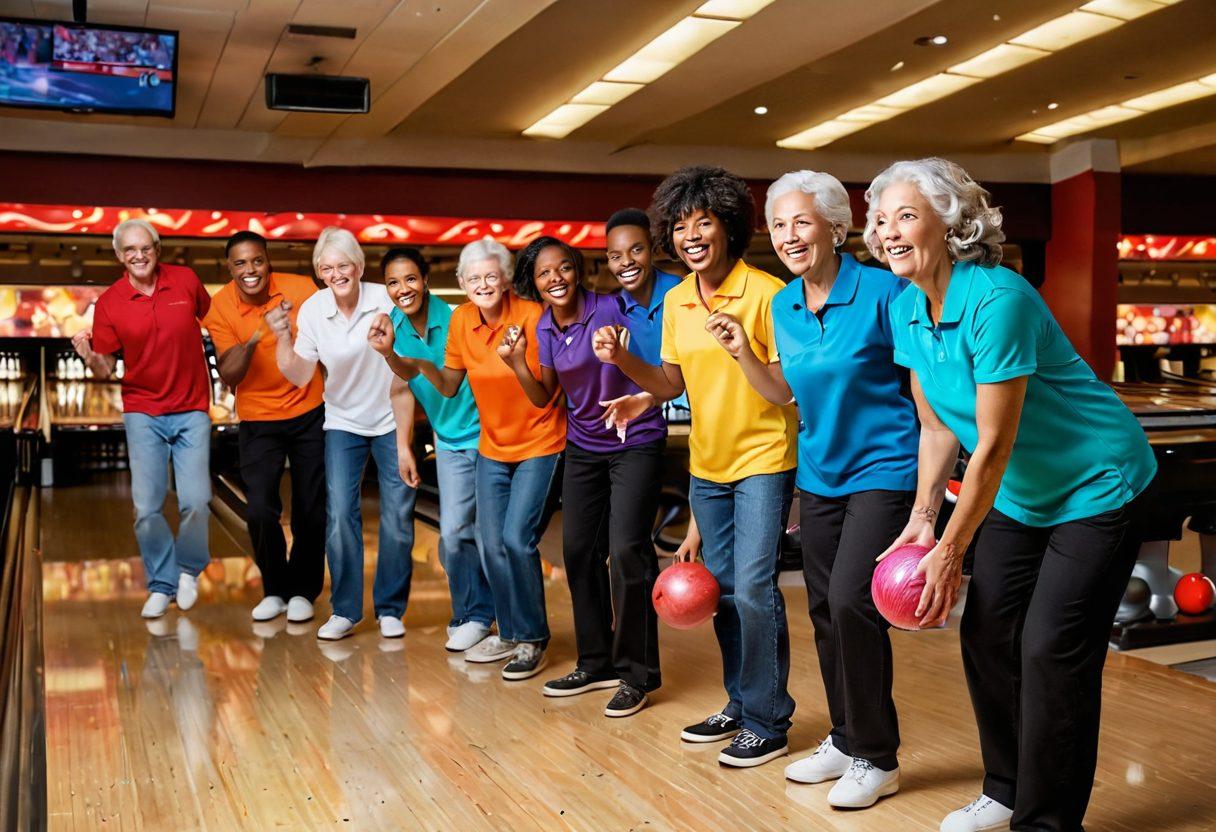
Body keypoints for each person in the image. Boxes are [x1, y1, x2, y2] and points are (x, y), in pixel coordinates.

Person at [867, 158, 1157, 832]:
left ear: (952, 224)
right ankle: (1005, 789)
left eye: (906, 215)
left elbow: (992, 446)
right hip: (1023, 495)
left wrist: (950, 552)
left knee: (1050, 647)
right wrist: (921, 522)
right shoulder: (908, 308)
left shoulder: (999, 299)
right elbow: (938, 425)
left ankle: (1046, 822)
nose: (888, 232)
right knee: (987, 633)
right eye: (881, 221)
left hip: (1097, 484)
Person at [704, 170, 920, 806]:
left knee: (854, 602)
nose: (789, 236)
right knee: (824, 608)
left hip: (885, 469)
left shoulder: (885, 291)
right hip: (820, 474)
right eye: (778, 225)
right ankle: (847, 737)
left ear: (834, 226)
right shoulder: (784, 305)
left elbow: (922, 385)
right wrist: (744, 351)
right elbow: (784, 392)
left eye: (801, 221)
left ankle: (879, 757)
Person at [593, 166, 798, 767]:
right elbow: (670, 382)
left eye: (703, 222)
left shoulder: (768, 293)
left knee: (757, 589)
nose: (691, 236)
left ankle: (768, 717)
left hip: (764, 457)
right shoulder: (678, 299)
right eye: (680, 226)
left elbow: (785, 390)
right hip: (709, 465)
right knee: (728, 593)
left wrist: (741, 348)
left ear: (728, 226)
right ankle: (739, 703)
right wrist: (629, 371)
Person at [388, 236, 565, 681]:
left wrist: (518, 360)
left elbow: (544, 398)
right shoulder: (463, 321)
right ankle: (507, 632)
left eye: (491, 275)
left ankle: (531, 638)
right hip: (492, 448)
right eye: (474, 277)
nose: (483, 284)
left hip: (540, 444)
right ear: (461, 282)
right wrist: (413, 362)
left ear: (506, 279)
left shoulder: (532, 316)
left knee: (515, 539)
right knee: (489, 543)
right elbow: (448, 384)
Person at [501, 236, 665, 717]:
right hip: (586, 447)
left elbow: (655, 368)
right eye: (545, 273)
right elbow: (544, 395)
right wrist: (516, 364)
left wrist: (621, 353)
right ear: (534, 283)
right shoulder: (546, 328)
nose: (556, 279)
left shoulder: (614, 308)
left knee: (626, 552)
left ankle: (637, 674)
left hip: (635, 440)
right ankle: (596, 662)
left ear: (578, 270)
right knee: (577, 551)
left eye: (564, 268)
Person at [269, 226, 418, 642]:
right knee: (339, 518)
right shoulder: (314, 310)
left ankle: (390, 609)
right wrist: (282, 337)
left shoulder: (385, 300)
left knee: (399, 517)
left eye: (344, 265)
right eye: (327, 268)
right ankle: (346, 611)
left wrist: (406, 439)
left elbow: (405, 367)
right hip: (342, 422)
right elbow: (300, 374)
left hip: (390, 419)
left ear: (360, 266)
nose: (336, 274)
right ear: (319, 272)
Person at [71, 218, 212, 620]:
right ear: (119, 255)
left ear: (157, 248)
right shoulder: (111, 302)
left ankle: (188, 570)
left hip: (192, 407)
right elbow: (105, 369)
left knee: (197, 502)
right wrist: (89, 356)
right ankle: (161, 583)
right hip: (142, 411)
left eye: (145, 247)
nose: (139, 255)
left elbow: (214, 324)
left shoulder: (185, 281)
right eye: (130, 250)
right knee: (147, 508)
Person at [365, 247, 494, 654]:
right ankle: (473, 615)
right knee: (454, 535)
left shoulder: (459, 318)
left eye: (410, 278)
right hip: (449, 441)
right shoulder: (394, 328)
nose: (403, 289)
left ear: (425, 278)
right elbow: (401, 388)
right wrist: (403, 446)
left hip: (489, 436)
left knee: (491, 536)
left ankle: (495, 618)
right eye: (392, 282)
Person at [203, 230, 326, 625]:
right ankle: (275, 589)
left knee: (311, 507)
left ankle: (303, 591)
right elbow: (229, 375)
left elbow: (327, 339)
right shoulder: (220, 307)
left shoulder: (302, 288)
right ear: (230, 268)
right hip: (258, 418)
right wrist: (260, 333)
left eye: (256, 260)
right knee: (259, 509)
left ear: (267, 260)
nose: (250, 269)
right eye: (240, 263)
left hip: (310, 409)